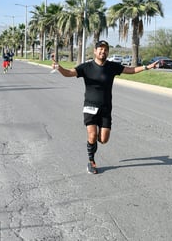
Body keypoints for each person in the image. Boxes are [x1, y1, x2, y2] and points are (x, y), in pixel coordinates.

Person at [52, 40, 159, 174]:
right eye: (100, 49)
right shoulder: (86, 67)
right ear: (95, 51)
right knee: (92, 135)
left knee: (103, 139)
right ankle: (91, 161)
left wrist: (146, 67)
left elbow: (130, 70)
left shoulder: (112, 67)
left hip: (106, 108)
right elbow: (68, 73)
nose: (103, 52)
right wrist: (59, 67)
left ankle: (94, 142)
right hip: (90, 106)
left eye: (105, 49)